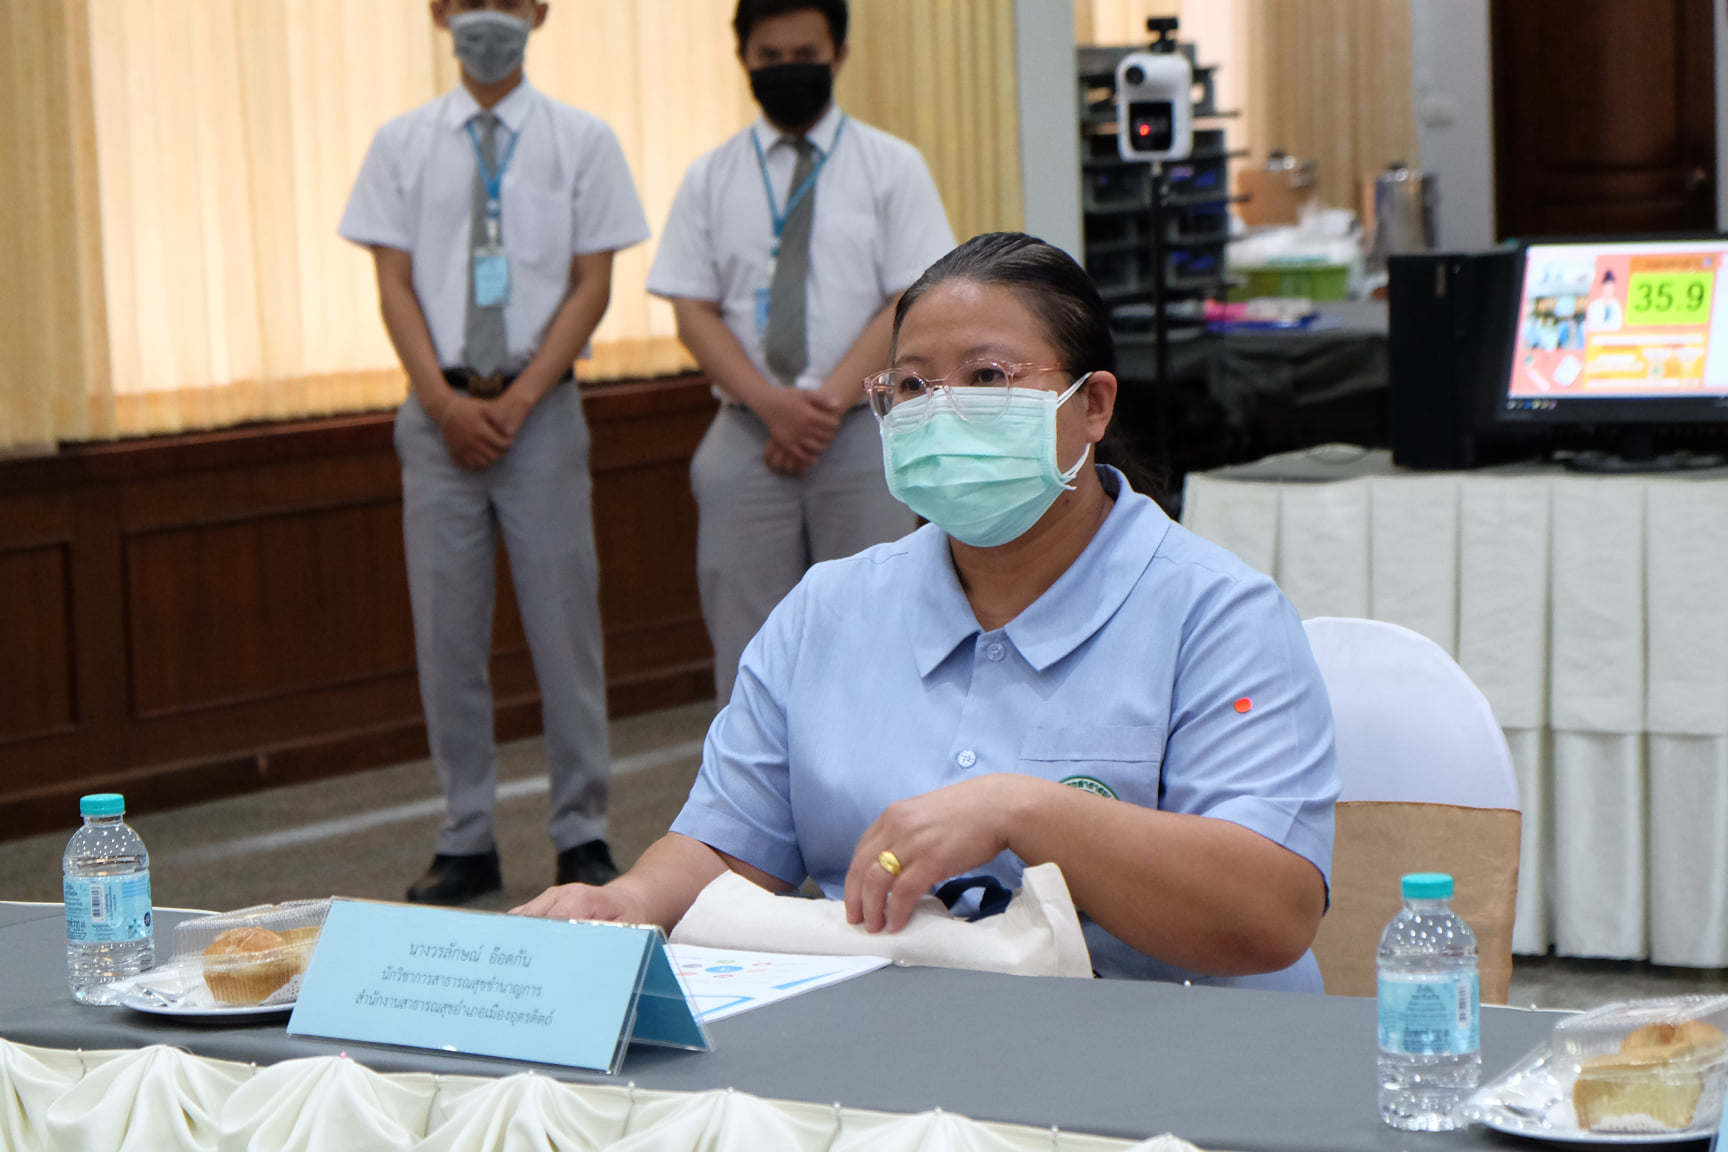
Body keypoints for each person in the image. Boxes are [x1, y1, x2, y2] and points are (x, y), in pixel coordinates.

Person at [517, 233, 1341, 991]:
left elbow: (1270, 916)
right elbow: (728, 846)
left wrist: (1025, 811)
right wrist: (628, 902)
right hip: (881, 1041)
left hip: (1156, 1053)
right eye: (913, 385)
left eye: (988, 378)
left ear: (1093, 406)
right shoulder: (829, 610)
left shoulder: (1218, 616)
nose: (942, 412)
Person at [339, 0, 650, 904]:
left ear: (540, 11)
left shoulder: (581, 140)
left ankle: (581, 833)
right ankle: (465, 836)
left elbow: (594, 286)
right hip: (437, 418)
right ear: (438, 11)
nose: (489, 18)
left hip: (540, 413)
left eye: (509, 0)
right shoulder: (401, 143)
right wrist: (442, 403)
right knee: (446, 635)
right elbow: (391, 284)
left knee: (566, 632)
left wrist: (515, 399)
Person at [646, 0, 956, 705]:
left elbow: (912, 297)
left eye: (805, 56)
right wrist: (773, 407)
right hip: (746, 434)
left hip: (863, 432)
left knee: (873, 631)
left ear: (839, 55)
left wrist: (822, 407)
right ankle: (750, 810)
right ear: (745, 61)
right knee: (748, 642)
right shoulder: (709, 177)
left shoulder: (891, 167)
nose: (788, 72)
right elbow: (691, 310)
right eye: (771, 59)